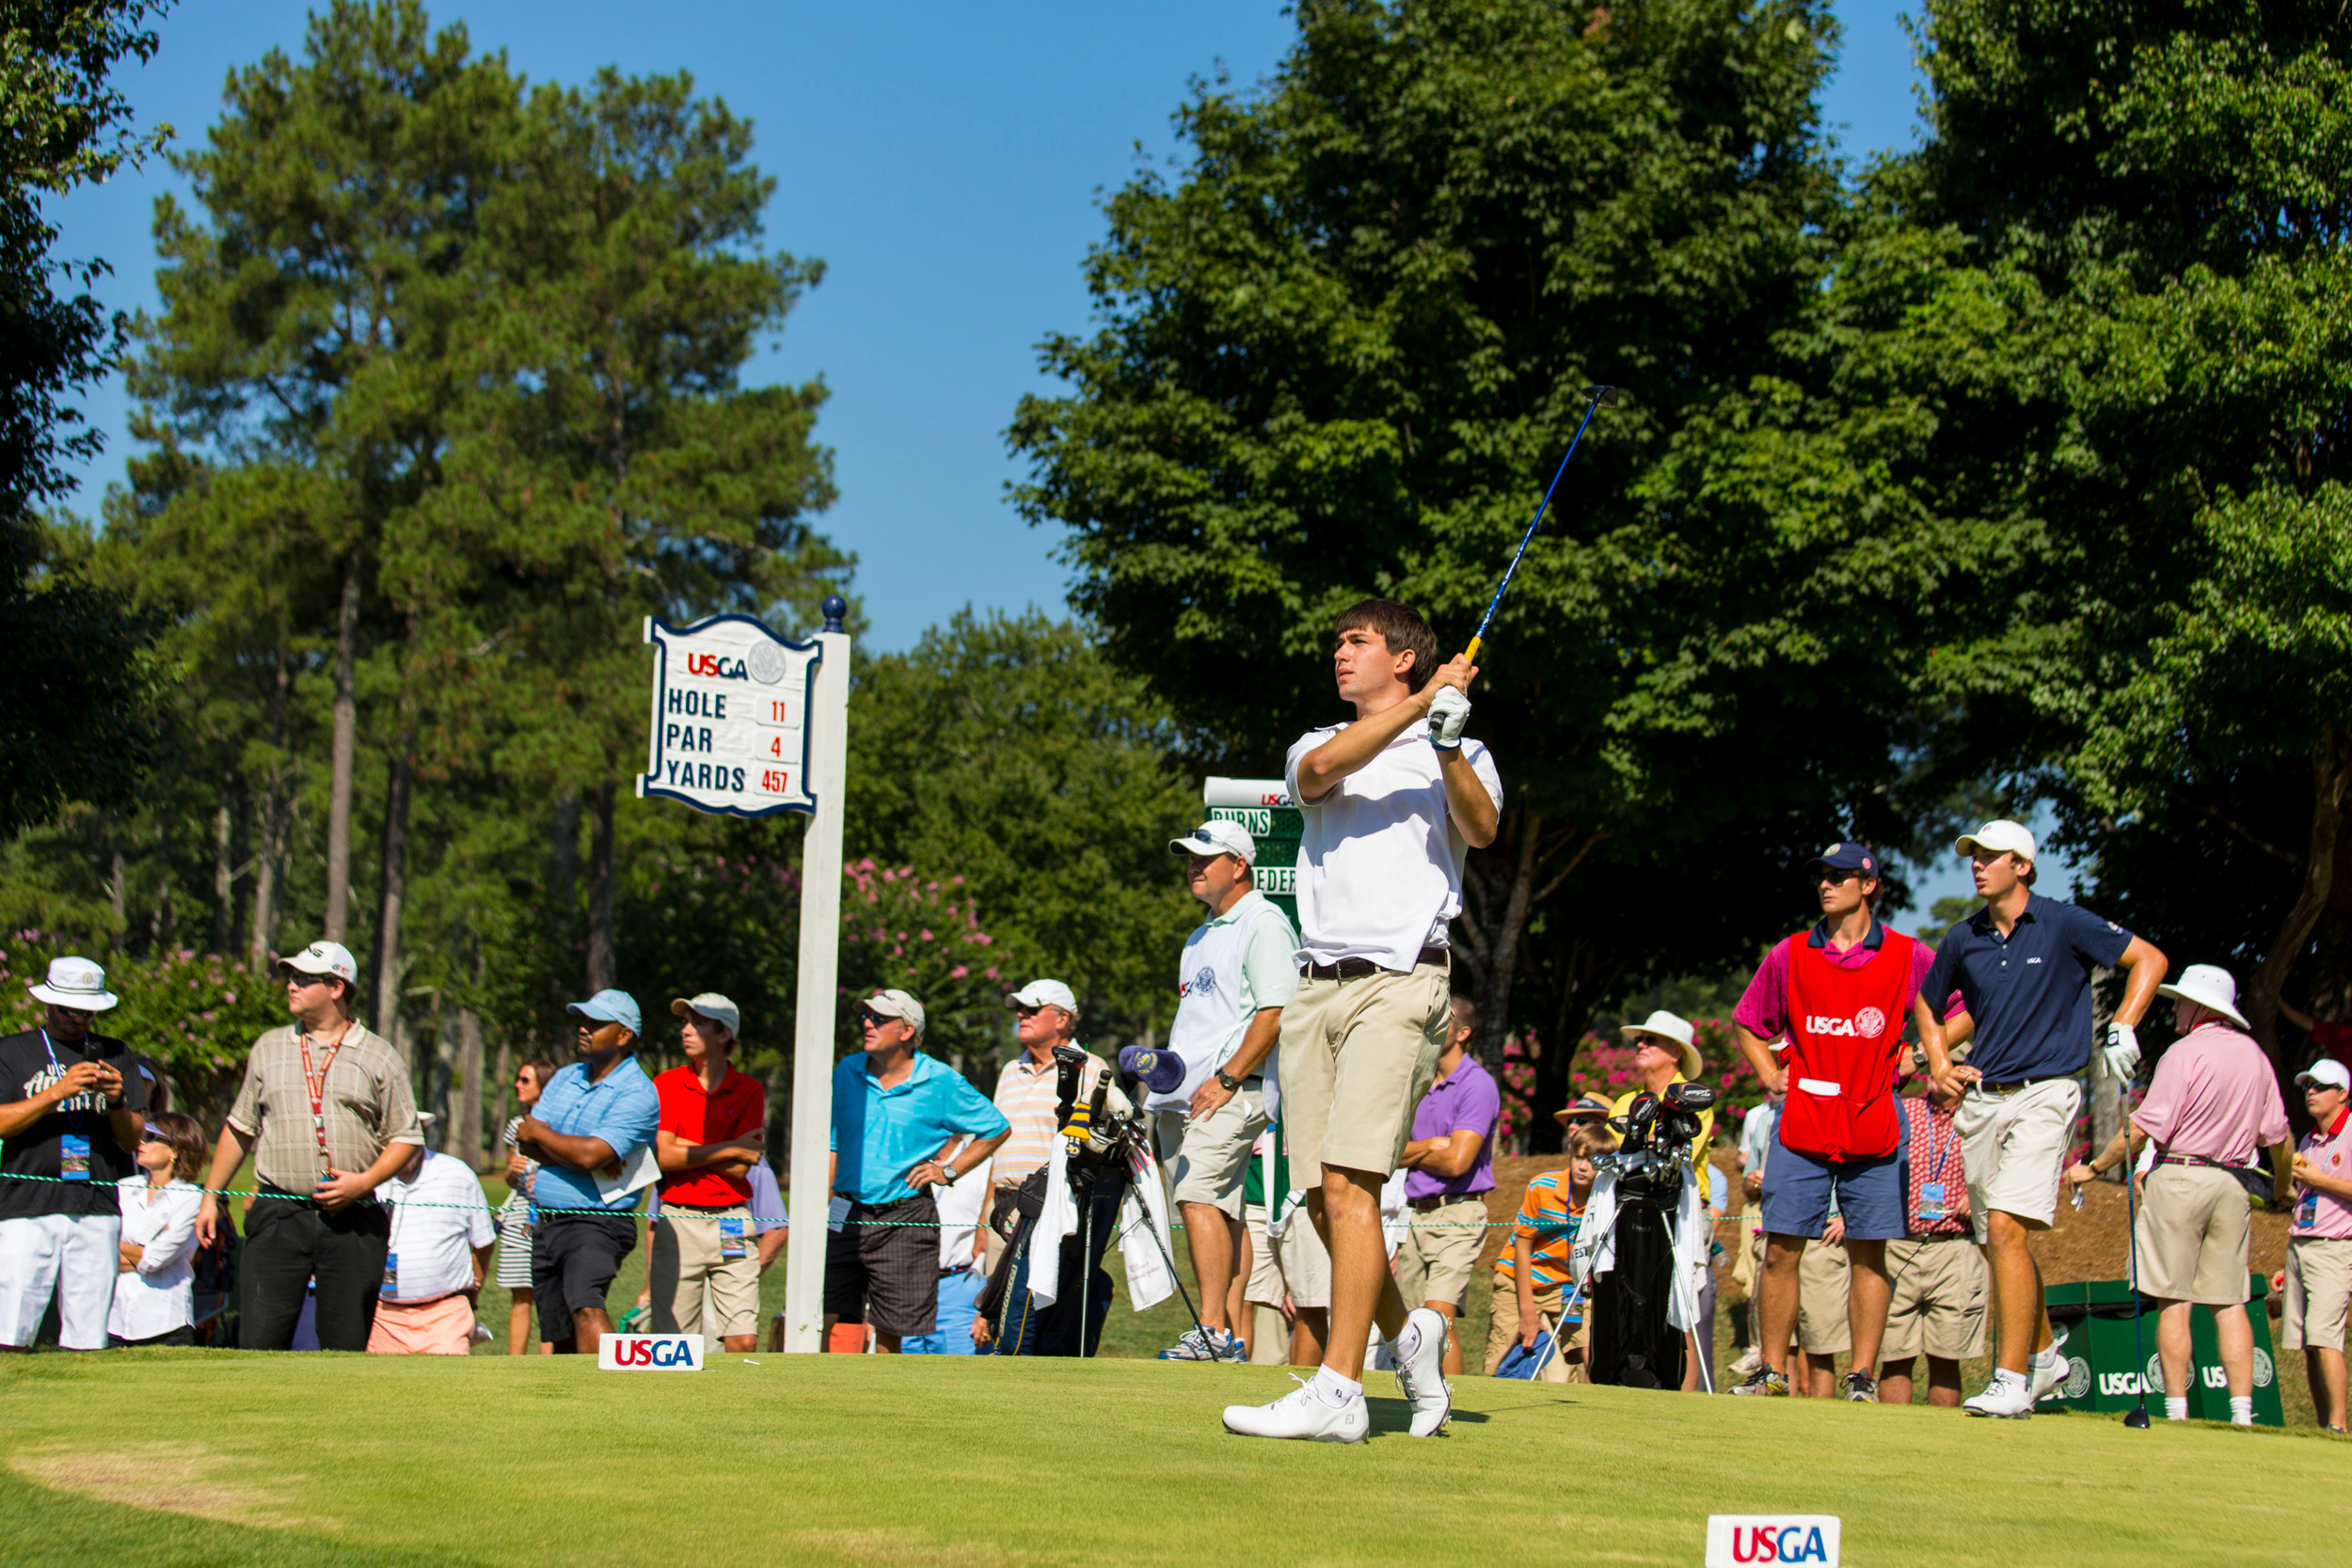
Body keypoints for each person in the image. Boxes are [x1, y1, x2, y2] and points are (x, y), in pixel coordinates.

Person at [1222, 597, 1500, 1444]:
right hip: (1315, 985)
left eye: (1358, 641)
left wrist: (1446, 741)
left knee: (1353, 1182)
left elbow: (1482, 828)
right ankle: (1411, 1339)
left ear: (1405, 656)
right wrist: (1421, 708)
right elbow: (1314, 778)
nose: (1339, 653)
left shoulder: (1460, 744)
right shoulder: (1316, 741)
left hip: (1403, 979)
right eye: (1337, 642)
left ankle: (1341, 1388)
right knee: (1316, 1194)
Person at [1921, 819, 2166, 1418]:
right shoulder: (1962, 937)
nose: (1976, 865)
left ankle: (2009, 1378)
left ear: (2022, 866)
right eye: (1972, 856)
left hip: (2048, 1092)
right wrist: (1936, 1062)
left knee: (2004, 1227)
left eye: (1989, 856)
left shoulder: (2064, 922)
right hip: (1983, 1099)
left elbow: (2150, 960)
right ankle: (2044, 1357)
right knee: (1993, 1237)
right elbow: (1927, 1006)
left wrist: (2124, 1023)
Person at [1731, 844, 1945, 1401]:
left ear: (1868, 884)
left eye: (1839, 876)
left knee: (1869, 1251)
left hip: (1876, 1118)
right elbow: (1749, 1023)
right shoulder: (1791, 953)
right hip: (1802, 1119)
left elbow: (1960, 1009)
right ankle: (1772, 1373)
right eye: (1820, 877)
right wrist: (1767, 1076)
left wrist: (1920, 1055)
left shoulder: (1907, 954)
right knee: (1780, 1248)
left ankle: (1862, 1377)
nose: (1826, 885)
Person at [2064, 963, 2289, 1426]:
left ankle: (2175, 1412)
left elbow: (2143, 1126)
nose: (2176, 1009)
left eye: (2181, 1001)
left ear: (2201, 1008)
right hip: (2233, 1184)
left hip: (2182, 1176)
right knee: (2229, 1304)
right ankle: (2243, 1415)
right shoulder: (2255, 1057)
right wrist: (2283, 1189)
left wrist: (2095, 1166)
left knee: (2175, 1301)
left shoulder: (2183, 1053)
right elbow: (2277, 1137)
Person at [198, 941, 421, 1352]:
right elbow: (240, 1126)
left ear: (337, 987)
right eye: (291, 977)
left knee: (344, 1350)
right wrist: (211, 1195)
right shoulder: (269, 1047)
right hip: (278, 1214)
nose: (291, 985)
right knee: (259, 1345)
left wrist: (363, 1182)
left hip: (354, 1218)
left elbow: (406, 1138)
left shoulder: (380, 1056)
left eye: (304, 978)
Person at [1152, 820, 1299, 1364]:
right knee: (1224, 1210)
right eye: (1189, 857)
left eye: (1205, 858)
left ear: (1239, 865)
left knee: (1195, 1197)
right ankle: (1232, 1336)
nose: (1193, 865)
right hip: (1189, 1096)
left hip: (1235, 1089)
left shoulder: (1264, 921)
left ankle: (1212, 1329)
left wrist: (1230, 1077)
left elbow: (1276, 1011)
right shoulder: (1199, 936)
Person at [829, 990, 1009, 1354]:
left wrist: (949, 1171)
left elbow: (997, 1127)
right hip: (844, 1212)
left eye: (879, 1018)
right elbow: (834, 1141)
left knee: (894, 1327)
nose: (867, 1023)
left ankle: (881, 1402)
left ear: (907, 1030)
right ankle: (824, 1396)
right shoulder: (847, 1070)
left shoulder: (939, 1080)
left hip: (905, 1215)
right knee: (833, 1315)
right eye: (866, 1016)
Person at [1, 957, 148, 1352]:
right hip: (25, 1205)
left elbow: (133, 1141)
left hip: (96, 1206)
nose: (78, 1019)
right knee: (11, 1332)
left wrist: (116, 1101)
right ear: (47, 1004)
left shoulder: (115, 1053)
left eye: (88, 1011)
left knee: (88, 1340)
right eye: (68, 1009)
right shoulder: (13, 1052)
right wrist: (56, 1093)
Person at [518, 989, 660, 1356]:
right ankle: (571, 1407)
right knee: (558, 1328)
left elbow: (586, 1153)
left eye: (596, 1023)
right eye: (583, 1021)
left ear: (624, 1035)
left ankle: (609, 1393)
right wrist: (579, 1152)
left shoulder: (638, 1092)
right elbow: (526, 1140)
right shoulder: (566, 1077)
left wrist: (554, 1141)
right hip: (547, 1220)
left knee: (585, 1305)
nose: (584, 1029)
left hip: (596, 1222)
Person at [648, 993, 767, 1353]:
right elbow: (665, 1157)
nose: (685, 1030)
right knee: (672, 1345)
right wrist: (730, 1146)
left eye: (697, 1023)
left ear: (723, 1034)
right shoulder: (666, 1083)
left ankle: (734, 1407)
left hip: (731, 1222)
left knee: (743, 1339)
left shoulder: (750, 1090)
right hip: (677, 1222)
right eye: (685, 1022)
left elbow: (741, 1167)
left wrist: (687, 1149)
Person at [1392, 990, 1500, 1375]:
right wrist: (1429, 1146)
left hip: (1458, 1213)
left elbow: (1457, 1162)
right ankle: (1419, 1401)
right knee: (1409, 1323)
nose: (1432, 1025)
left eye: (1443, 1019)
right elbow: (1391, 1153)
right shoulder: (1417, 1079)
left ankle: (1449, 1407)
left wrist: (1414, 1151)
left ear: (1463, 1032)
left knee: (1439, 1321)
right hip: (1415, 1215)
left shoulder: (1477, 1084)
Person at [1879, 1064, 1986, 1407]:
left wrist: (1979, 1193)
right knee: (1894, 1353)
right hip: (1898, 1245)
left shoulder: (1982, 1118)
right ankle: (1891, 1443)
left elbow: (2002, 1166)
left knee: (1946, 1355)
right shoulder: (1905, 1110)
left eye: (1950, 1068)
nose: (1938, 1073)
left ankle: (1942, 1443)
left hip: (1954, 1248)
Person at [989, 979, 1107, 1275]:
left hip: (1054, 1208)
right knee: (995, 1313)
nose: (1020, 1015)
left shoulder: (1091, 1068)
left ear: (1062, 1018)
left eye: (1031, 1009)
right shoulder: (1009, 1070)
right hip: (1000, 1208)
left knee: (1038, 1313)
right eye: (1019, 1010)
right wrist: (983, 1223)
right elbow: (994, 1149)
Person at [1485, 1125, 1609, 1381]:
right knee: (1501, 1355)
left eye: (1592, 1161)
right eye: (1578, 1157)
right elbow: (1522, 1244)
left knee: (1591, 1352)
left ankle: (1597, 1409)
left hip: (1567, 1286)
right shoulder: (1542, 1187)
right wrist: (1528, 1313)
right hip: (1518, 1278)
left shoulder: (1607, 1198)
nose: (1582, 1166)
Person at [369, 1117, 497, 1355]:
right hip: (382, 1317)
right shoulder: (368, 1176)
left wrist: (472, 1293)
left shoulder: (458, 1174)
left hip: (445, 1315)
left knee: (448, 1389)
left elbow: (484, 1243)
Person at [2282, 1057, 2352, 1433]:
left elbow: (2327, 1185)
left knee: (2326, 1337)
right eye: (2308, 1085)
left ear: (2342, 1095)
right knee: (2308, 1343)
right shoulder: (2310, 1139)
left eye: (2320, 1086)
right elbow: (2309, 1194)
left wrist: (2320, 1180)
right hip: (2301, 1243)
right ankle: (2323, 1425)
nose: (2311, 1092)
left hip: (2337, 1247)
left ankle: (2339, 1428)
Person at [109, 1111, 207, 1347]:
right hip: (114, 1321)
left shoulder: (191, 1198)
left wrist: (109, 1247)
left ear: (175, 1150)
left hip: (165, 1324)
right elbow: (92, 1250)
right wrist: (132, 1251)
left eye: (153, 1137)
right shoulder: (123, 1187)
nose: (141, 1142)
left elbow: (155, 1259)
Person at [494, 1057, 558, 1355]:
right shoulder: (515, 1126)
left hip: (552, 1216)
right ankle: (514, 1365)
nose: (518, 1085)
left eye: (525, 1080)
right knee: (521, 1296)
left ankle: (548, 1366)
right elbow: (509, 1177)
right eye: (518, 1079)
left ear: (544, 1084)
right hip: (519, 1217)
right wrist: (512, 1171)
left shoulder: (561, 1124)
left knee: (550, 1295)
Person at [1609, 1010, 1715, 1167]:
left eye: (1650, 1040)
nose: (1640, 1045)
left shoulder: (1694, 1100)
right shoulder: (1624, 1102)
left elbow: (1677, 1158)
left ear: (1676, 1052)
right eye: (1639, 1039)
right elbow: (1608, 1149)